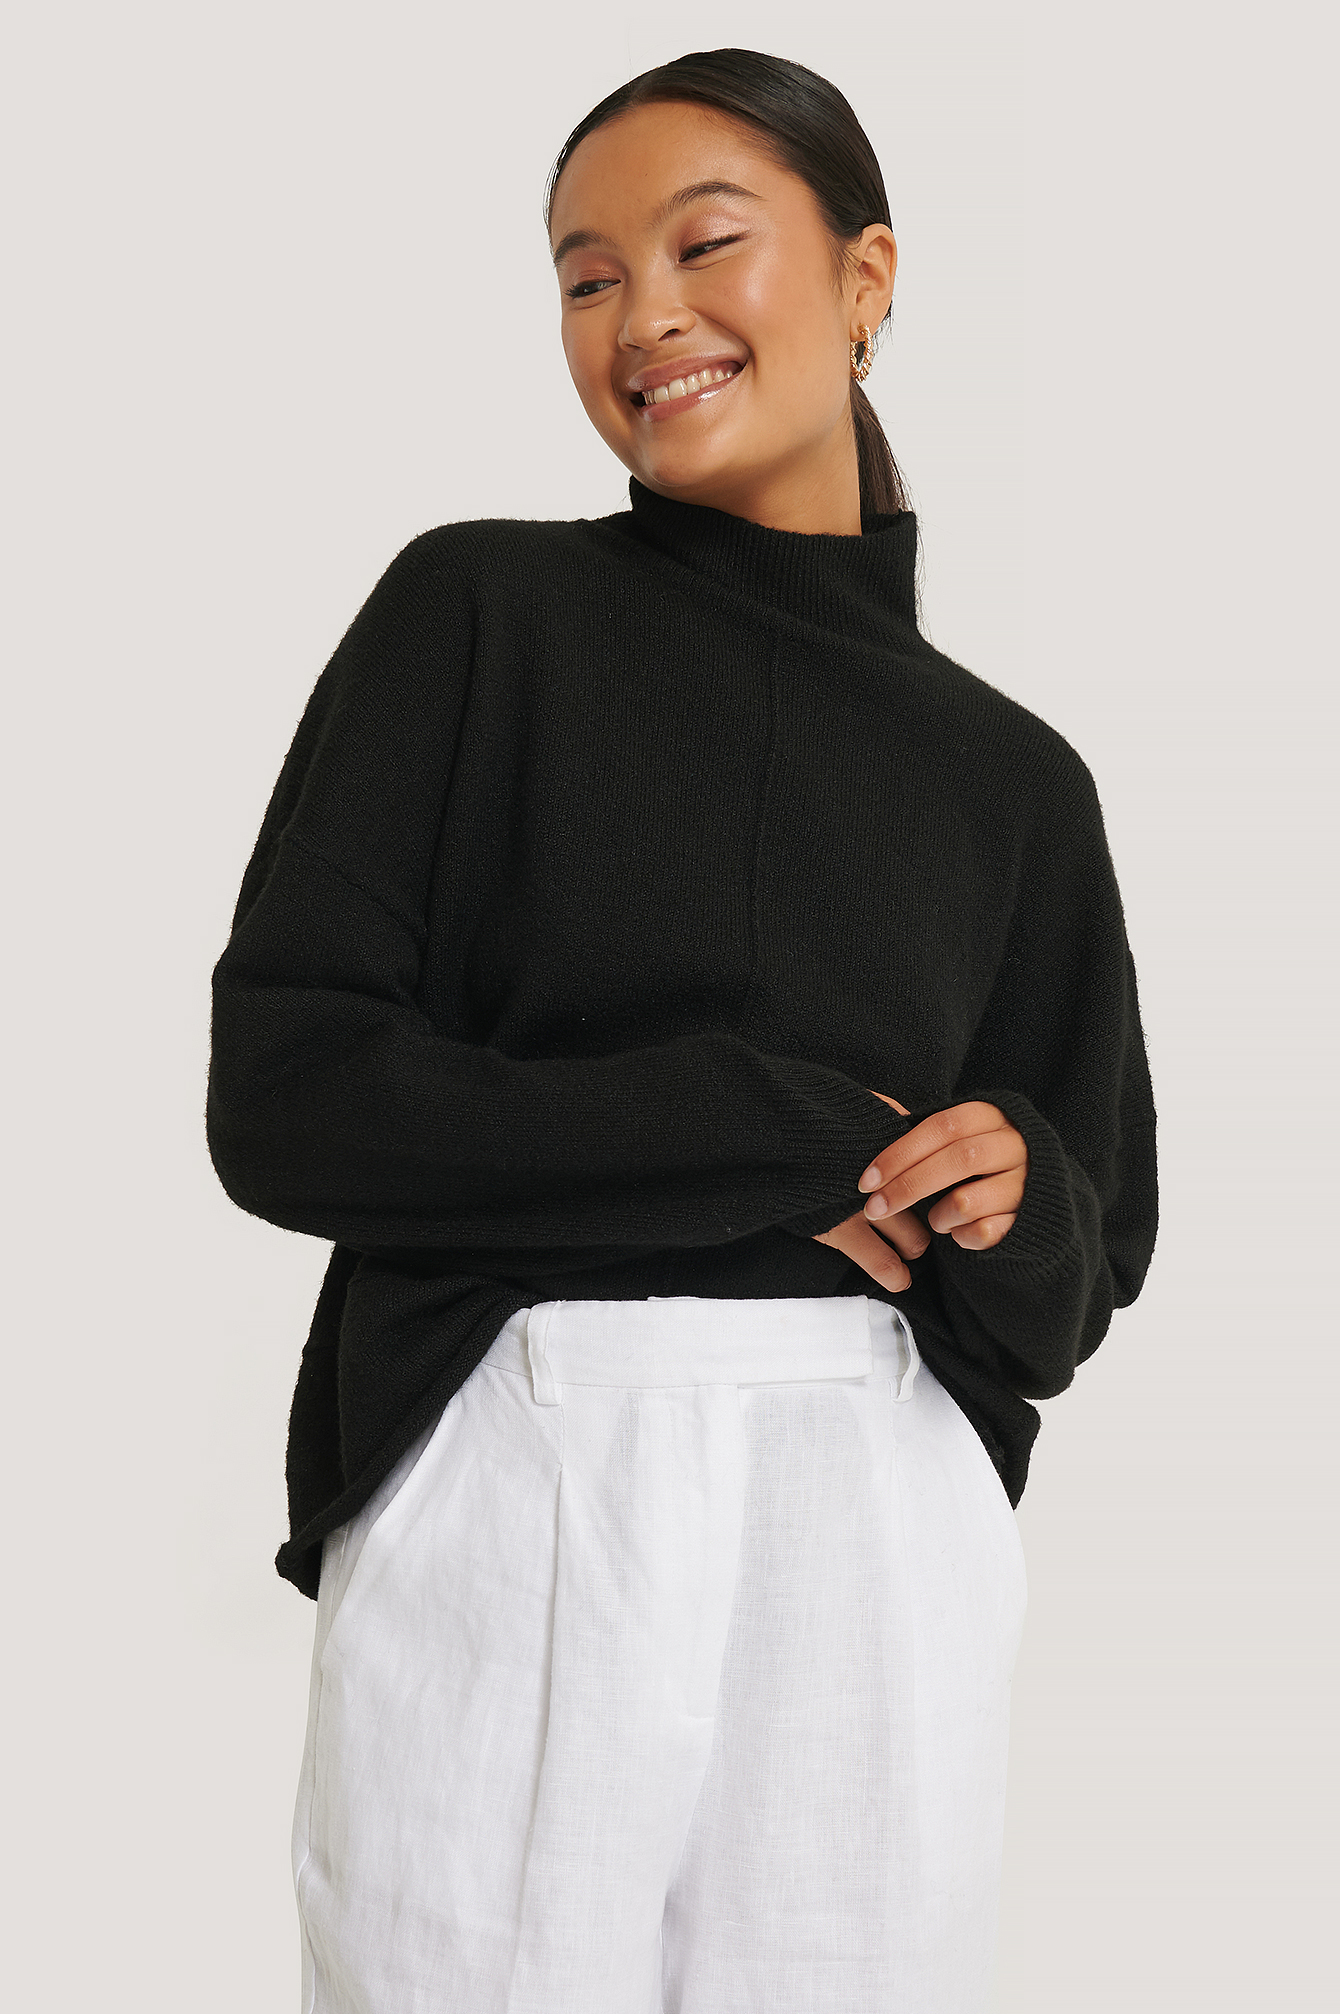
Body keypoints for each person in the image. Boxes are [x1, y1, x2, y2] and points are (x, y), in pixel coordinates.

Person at [206, 46, 1158, 2014]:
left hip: (876, 1504)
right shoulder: (480, 612)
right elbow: (289, 1100)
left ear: (867, 277)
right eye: (584, 275)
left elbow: (1086, 1263)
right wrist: (761, 1129)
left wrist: (1008, 1194)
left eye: (702, 245)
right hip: (525, 1456)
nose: (641, 314)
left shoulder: (1014, 781)